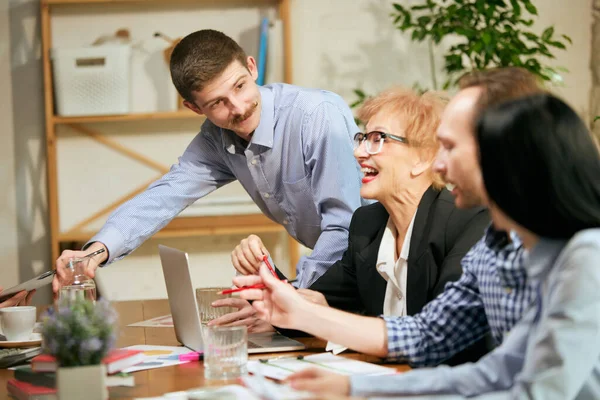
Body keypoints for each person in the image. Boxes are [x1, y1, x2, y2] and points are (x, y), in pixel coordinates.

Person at [277, 93, 600, 399]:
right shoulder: (498, 247)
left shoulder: (585, 255)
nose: (440, 164)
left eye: (449, 147)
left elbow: (538, 393)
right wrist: (355, 388)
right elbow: (481, 365)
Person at [232, 67, 545, 368]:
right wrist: (270, 284)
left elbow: (439, 338)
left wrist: (317, 317)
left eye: (378, 139)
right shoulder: (367, 225)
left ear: (423, 158)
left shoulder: (471, 222)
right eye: (362, 137)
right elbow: (313, 306)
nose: (359, 152)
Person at [52, 29, 364, 290]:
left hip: (379, 265)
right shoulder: (216, 138)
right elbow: (164, 196)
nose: (238, 107)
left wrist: (294, 295)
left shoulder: (317, 115)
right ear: (194, 108)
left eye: (240, 86)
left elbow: (344, 226)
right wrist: (95, 252)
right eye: (218, 103)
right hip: (335, 272)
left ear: (252, 67)